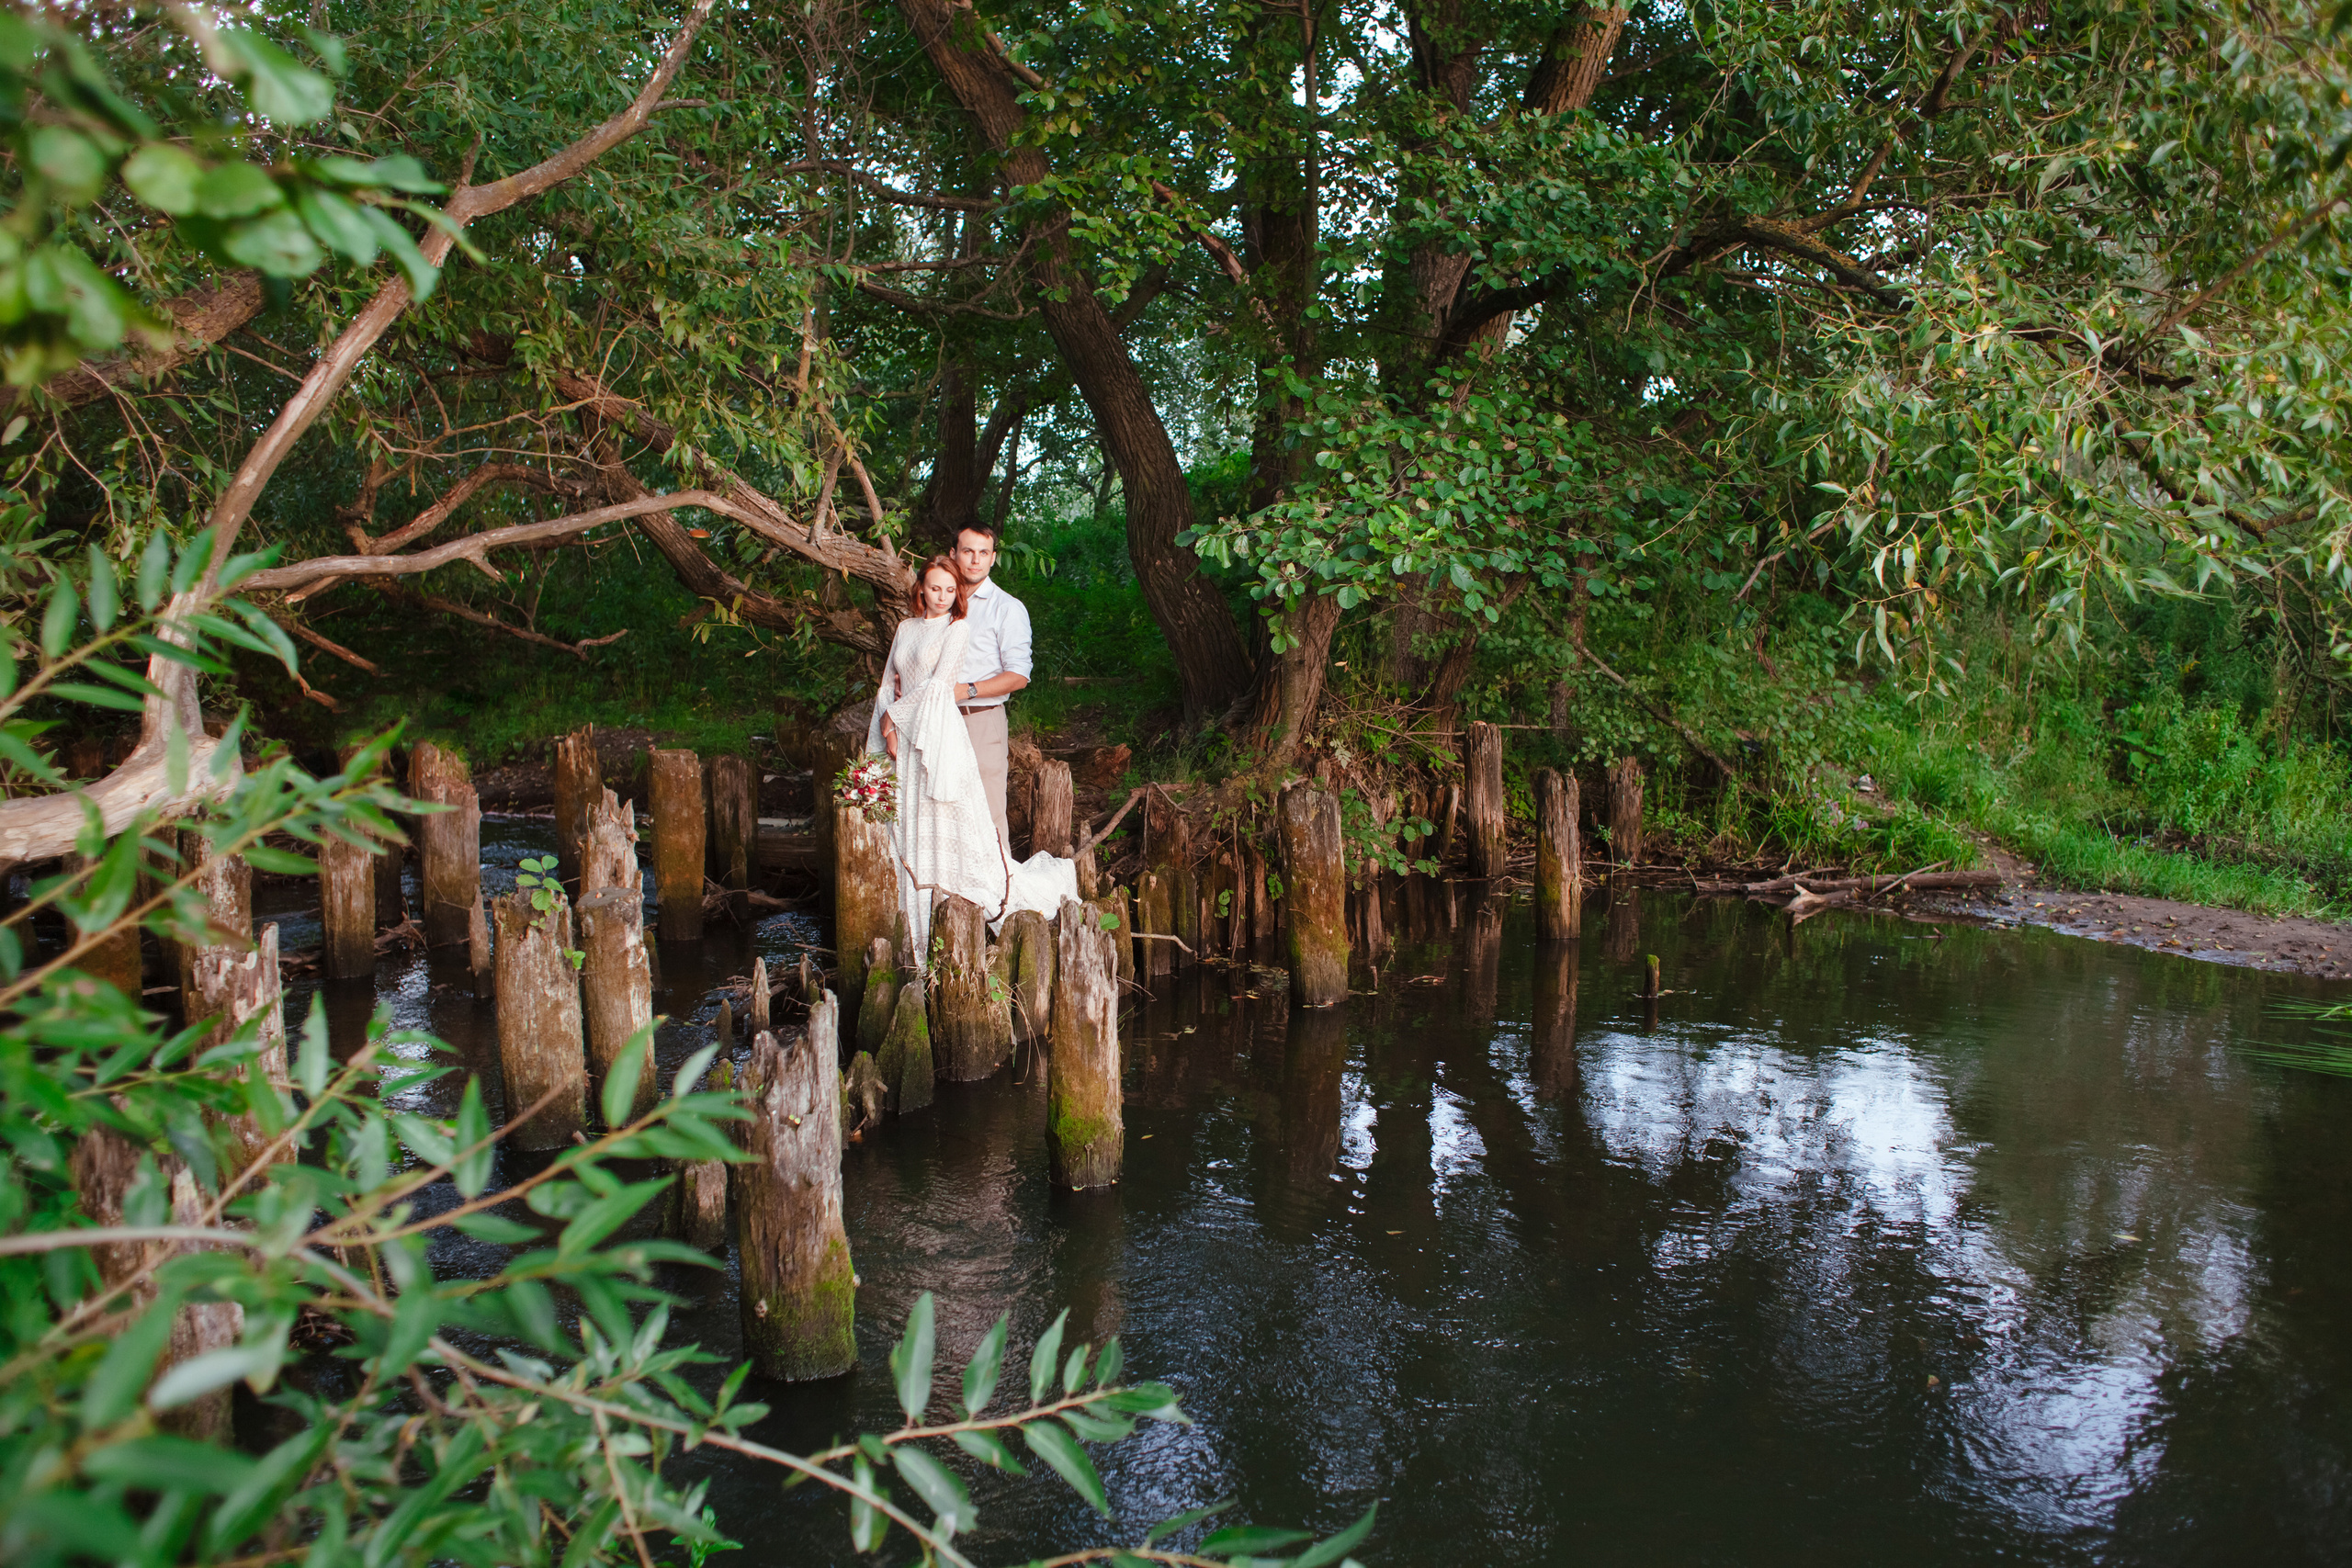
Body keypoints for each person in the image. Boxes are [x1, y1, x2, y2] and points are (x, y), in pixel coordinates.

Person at [865, 556, 1072, 968]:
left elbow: (940, 688)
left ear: (956, 594)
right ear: (920, 588)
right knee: (906, 820)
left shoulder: (957, 629)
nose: (941, 596)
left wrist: (895, 716)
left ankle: (947, 918)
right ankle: (907, 917)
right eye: (934, 588)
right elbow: (890, 680)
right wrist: (885, 728)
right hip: (902, 736)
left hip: (936, 735)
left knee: (943, 819)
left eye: (949, 590)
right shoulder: (906, 628)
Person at [944, 523, 1031, 848]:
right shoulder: (940, 601)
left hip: (979, 718)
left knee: (987, 814)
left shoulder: (1006, 608)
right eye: (968, 551)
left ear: (993, 558)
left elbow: (1019, 676)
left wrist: (965, 690)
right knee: (942, 811)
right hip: (937, 722)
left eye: (983, 553)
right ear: (954, 554)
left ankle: (1000, 896)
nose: (975, 560)